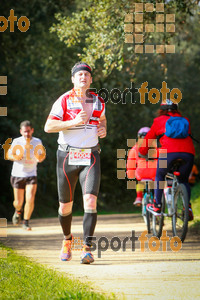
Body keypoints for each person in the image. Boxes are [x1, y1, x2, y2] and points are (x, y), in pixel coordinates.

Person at [44, 62, 106, 264]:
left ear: (91, 80)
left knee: (90, 201)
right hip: (67, 157)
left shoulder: (98, 101)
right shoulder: (63, 100)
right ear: (73, 79)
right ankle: (67, 240)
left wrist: (103, 128)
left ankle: (87, 249)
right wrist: (72, 123)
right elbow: (48, 126)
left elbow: (102, 119)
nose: (83, 77)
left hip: (91, 156)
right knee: (65, 207)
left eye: (87, 75)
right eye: (79, 74)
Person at [139, 99, 195, 221]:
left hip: (168, 154)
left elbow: (148, 139)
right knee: (184, 180)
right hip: (188, 154)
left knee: (160, 175)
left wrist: (142, 152)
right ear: (176, 109)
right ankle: (187, 208)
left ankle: (157, 206)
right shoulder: (185, 120)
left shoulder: (158, 121)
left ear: (161, 110)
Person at [7, 120, 46, 230]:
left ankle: (26, 222)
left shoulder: (37, 141)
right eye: (24, 132)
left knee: (30, 198)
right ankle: (18, 210)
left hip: (31, 174)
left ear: (32, 130)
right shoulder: (17, 141)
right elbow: (8, 154)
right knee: (18, 202)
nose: (27, 134)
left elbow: (42, 156)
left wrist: (40, 158)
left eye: (28, 131)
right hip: (17, 174)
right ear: (21, 131)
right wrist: (16, 157)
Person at [127, 127, 157, 206]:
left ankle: (139, 197)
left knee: (140, 182)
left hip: (141, 172)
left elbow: (131, 163)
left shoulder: (135, 148)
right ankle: (156, 199)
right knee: (155, 183)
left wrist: (130, 175)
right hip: (154, 172)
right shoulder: (155, 147)